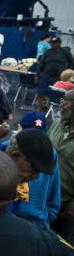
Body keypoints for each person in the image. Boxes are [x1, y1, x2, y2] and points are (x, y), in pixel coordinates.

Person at [49, 89, 74, 243]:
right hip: (44, 196)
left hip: (65, 206)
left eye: (66, 99)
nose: (61, 102)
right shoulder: (58, 123)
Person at [37, 37, 74, 105]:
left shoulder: (66, 52)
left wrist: (68, 72)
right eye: (51, 43)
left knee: (56, 94)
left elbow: (72, 62)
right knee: (40, 92)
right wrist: (37, 75)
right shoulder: (47, 52)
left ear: (59, 43)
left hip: (59, 78)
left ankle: (52, 107)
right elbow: (41, 64)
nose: (52, 45)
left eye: (54, 43)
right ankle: (39, 107)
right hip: (46, 75)